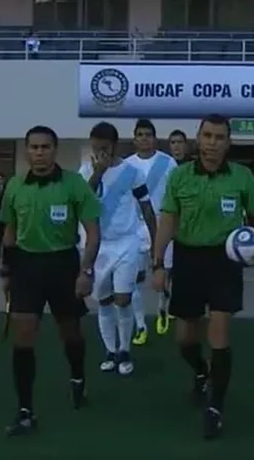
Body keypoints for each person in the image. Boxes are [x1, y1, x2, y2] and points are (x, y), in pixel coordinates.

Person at [151, 114, 254, 439]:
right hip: (188, 258)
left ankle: (215, 408)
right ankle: (201, 372)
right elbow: (167, 221)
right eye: (207, 136)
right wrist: (158, 265)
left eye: (219, 137)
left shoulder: (242, 176)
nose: (212, 143)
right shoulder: (179, 177)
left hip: (225, 260)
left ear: (228, 143)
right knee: (185, 340)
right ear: (198, 138)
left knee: (219, 331)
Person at [0, 125, 101, 436]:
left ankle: (78, 377)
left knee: (69, 334)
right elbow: (10, 232)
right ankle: (26, 411)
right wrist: (6, 271)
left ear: (55, 150)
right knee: (23, 336)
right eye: (34, 147)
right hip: (26, 267)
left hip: (63, 264)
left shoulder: (74, 185)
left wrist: (85, 272)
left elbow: (94, 233)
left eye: (45, 147)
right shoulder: (15, 186)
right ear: (27, 150)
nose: (39, 153)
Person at [79, 122, 158, 376]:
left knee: (123, 299)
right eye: (95, 146)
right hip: (98, 246)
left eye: (103, 146)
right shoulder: (85, 171)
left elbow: (146, 207)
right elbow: (82, 200)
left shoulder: (132, 172)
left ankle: (124, 350)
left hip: (127, 243)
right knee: (103, 300)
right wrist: (98, 173)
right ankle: (110, 351)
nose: (99, 151)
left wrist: (156, 242)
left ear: (113, 145)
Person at [125, 119, 179, 338]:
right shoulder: (126, 165)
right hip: (135, 227)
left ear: (154, 138)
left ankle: (162, 311)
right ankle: (140, 325)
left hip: (162, 225)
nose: (144, 138)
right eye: (140, 134)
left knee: (163, 274)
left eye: (148, 134)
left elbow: (176, 196)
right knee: (134, 278)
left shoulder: (168, 163)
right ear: (134, 138)